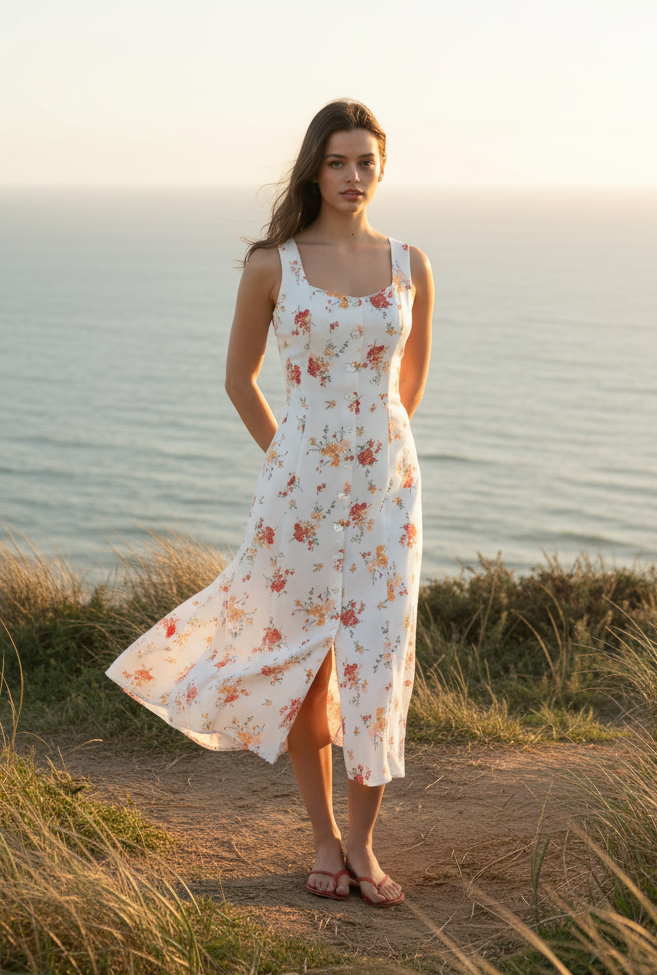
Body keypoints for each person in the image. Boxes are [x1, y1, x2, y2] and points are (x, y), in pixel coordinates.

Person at [106, 99, 434, 907]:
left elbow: (411, 381)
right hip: (298, 499)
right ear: (313, 170)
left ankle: (362, 843)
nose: (353, 177)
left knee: (377, 665)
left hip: (388, 499)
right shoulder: (273, 265)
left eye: (365, 161)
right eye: (337, 162)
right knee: (305, 665)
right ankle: (322, 835)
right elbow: (238, 381)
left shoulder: (410, 264)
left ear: (381, 167)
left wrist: (378, 461)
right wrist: (293, 461)